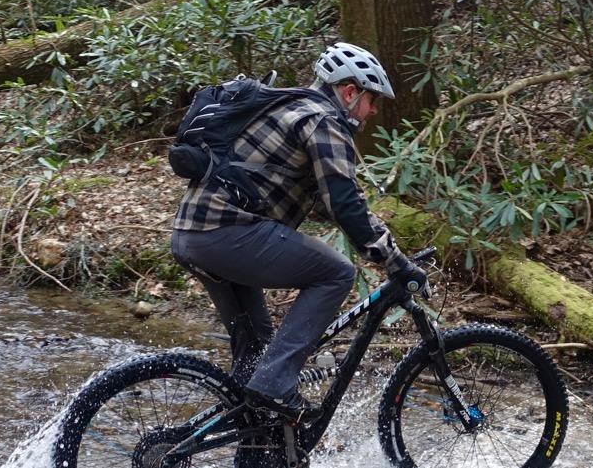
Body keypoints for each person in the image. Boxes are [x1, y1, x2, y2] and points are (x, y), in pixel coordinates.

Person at [170, 42, 425, 420]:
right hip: (226, 233)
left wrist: (372, 235)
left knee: (255, 360)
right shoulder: (324, 119)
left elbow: (323, 200)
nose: (372, 112)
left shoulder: (291, 108)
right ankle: (273, 387)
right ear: (350, 92)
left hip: (195, 235)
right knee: (336, 273)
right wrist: (394, 261)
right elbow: (346, 205)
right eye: (372, 101)